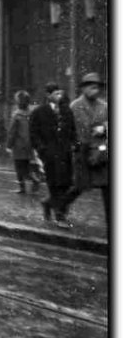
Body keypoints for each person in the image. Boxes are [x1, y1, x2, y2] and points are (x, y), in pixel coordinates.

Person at [63, 72, 109, 225]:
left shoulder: (105, 106)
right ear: (83, 89)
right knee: (79, 186)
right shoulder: (74, 106)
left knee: (107, 185)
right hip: (81, 151)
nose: (95, 91)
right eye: (91, 87)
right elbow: (66, 130)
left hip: (101, 151)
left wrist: (104, 129)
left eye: (97, 88)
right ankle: (59, 206)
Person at [30, 84, 78, 229]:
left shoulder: (67, 111)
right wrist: (41, 149)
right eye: (56, 94)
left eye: (60, 93)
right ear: (48, 95)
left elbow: (72, 130)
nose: (59, 96)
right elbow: (33, 133)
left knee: (67, 183)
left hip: (65, 154)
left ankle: (48, 203)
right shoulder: (39, 112)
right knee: (54, 184)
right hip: (49, 155)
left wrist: (75, 144)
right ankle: (60, 216)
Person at [6, 90, 38, 194]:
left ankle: (22, 187)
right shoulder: (31, 114)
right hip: (29, 144)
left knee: (19, 167)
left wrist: (9, 146)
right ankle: (33, 179)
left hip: (18, 145)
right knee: (27, 165)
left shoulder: (16, 115)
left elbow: (12, 132)